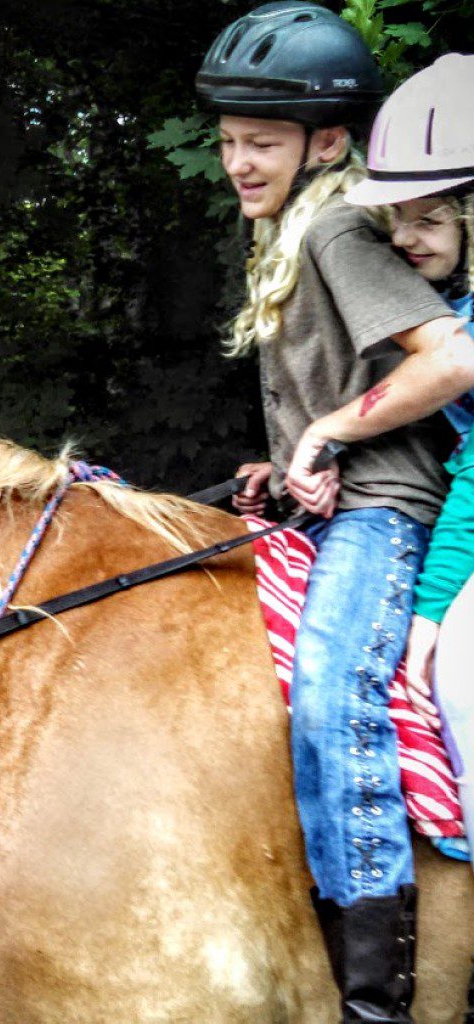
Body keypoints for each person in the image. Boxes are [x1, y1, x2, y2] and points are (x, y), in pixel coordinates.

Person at [197, 5, 474, 1021]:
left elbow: (452, 362)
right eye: (228, 141)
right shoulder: (285, 229)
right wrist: (283, 463)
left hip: (385, 513)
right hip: (331, 502)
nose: (238, 162)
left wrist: (326, 433)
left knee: (329, 688)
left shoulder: (337, 226)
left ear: (324, 143)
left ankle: (376, 991)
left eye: (262, 143)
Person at [343, 55, 474, 849]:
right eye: (397, 217)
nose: (402, 238)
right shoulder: (455, 307)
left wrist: (428, 613)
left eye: (429, 219)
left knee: (457, 670)